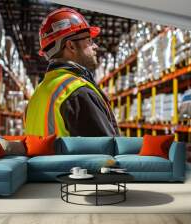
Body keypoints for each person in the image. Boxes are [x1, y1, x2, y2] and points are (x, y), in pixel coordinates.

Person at [25, 7, 120, 137]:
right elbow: (106, 153)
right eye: (89, 40)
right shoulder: (77, 93)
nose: (95, 46)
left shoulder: (37, 95)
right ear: (71, 46)